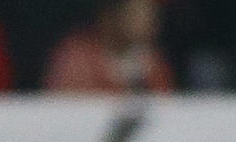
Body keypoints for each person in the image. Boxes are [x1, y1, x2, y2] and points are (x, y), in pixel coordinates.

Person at [42, 0, 173, 93]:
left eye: (151, 11)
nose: (149, 19)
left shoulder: (154, 62)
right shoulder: (77, 58)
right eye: (137, 12)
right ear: (109, 15)